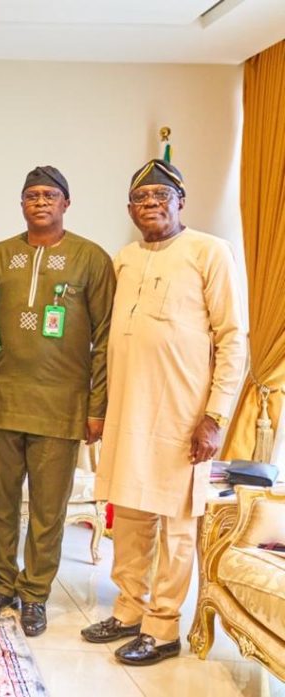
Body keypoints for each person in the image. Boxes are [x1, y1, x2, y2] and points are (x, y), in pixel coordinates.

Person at [81, 160, 245, 665]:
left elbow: (233, 337)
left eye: (160, 195)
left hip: (183, 416)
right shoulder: (125, 258)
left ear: (181, 200)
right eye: (141, 198)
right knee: (129, 519)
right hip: (129, 412)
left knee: (176, 524)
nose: (151, 205)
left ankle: (164, 626)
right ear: (130, 209)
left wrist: (214, 416)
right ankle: (128, 611)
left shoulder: (209, 251)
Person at [0, 166, 115, 636]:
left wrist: (96, 407)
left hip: (62, 406)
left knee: (49, 510)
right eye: (31, 195)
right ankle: (1, 585)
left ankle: (35, 594)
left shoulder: (90, 259)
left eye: (50, 195)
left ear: (66, 203)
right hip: (3, 403)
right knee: (2, 503)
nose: (40, 202)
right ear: (21, 203)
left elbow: (105, 337)